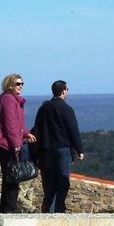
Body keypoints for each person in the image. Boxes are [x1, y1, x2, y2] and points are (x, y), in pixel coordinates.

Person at [31, 80, 84, 213]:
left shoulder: (43, 109)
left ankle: (47, 210)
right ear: (63, 91)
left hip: (44, 152)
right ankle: (57, 211)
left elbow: (36, 129)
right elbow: (73, 130)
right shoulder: (66, 109)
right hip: (61, 150)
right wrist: (80, 150)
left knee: (49, 184)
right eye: (67, 89)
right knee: (62, 182)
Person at [0, 74, 37, 213]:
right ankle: (9, 209)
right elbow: (10, 124)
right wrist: (16, 143)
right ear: (10, 85)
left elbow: (18, 124)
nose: (21, 86)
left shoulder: (12, 99)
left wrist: (26, 133)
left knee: (12, 177)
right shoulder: (8, 99)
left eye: (22, 83)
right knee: (12, 177)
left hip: (8, 143)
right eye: (17, 84)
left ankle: (7, 208)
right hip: (6, 144)